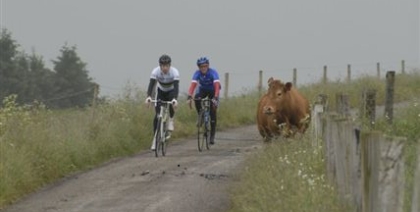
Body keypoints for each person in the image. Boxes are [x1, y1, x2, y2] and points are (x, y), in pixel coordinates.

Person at [145, 54, 180, 150]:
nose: (165, 68)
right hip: (160, 91)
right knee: (157, 116)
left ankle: (171, 120)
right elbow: (151, 85)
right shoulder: (155, 71)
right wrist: (148, 97)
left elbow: (176, 87)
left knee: (172, 104)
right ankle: (155, 139)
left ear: (170, 65)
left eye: (167, 66)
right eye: (163, 66)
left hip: (171, 91)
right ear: (160, 66)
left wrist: (175, 99)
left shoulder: (175, 72)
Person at [187, 57, 221, 145]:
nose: (203, 68)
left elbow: (217, 86)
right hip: (203, 90)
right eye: (201, 67)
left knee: (213, 112)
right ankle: (200, 115)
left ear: (208, 66)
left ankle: (212, 135)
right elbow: (193, 85)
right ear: (199, 67)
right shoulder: (197, 73)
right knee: (197, 98)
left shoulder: (213, 73)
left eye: (205, 66)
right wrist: (189, 95)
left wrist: (216, 97)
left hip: (213, 91)